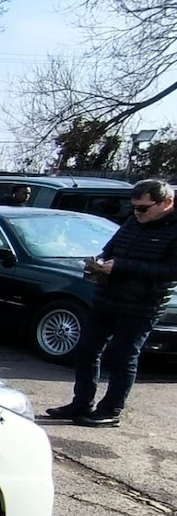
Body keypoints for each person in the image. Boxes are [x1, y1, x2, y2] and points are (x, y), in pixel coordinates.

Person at [45, 178, 177, 427]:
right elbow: (111, 248)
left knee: (122, 356)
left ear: (167, 203)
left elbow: (171, 271)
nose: (137, 213)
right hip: (108, 297)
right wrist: (100, 261)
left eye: (143, 208)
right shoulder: (133, 222)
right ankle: (81, 403)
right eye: (134, 207)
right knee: (85, 351)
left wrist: (123, 266)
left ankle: (111, 410)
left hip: (142, 305)